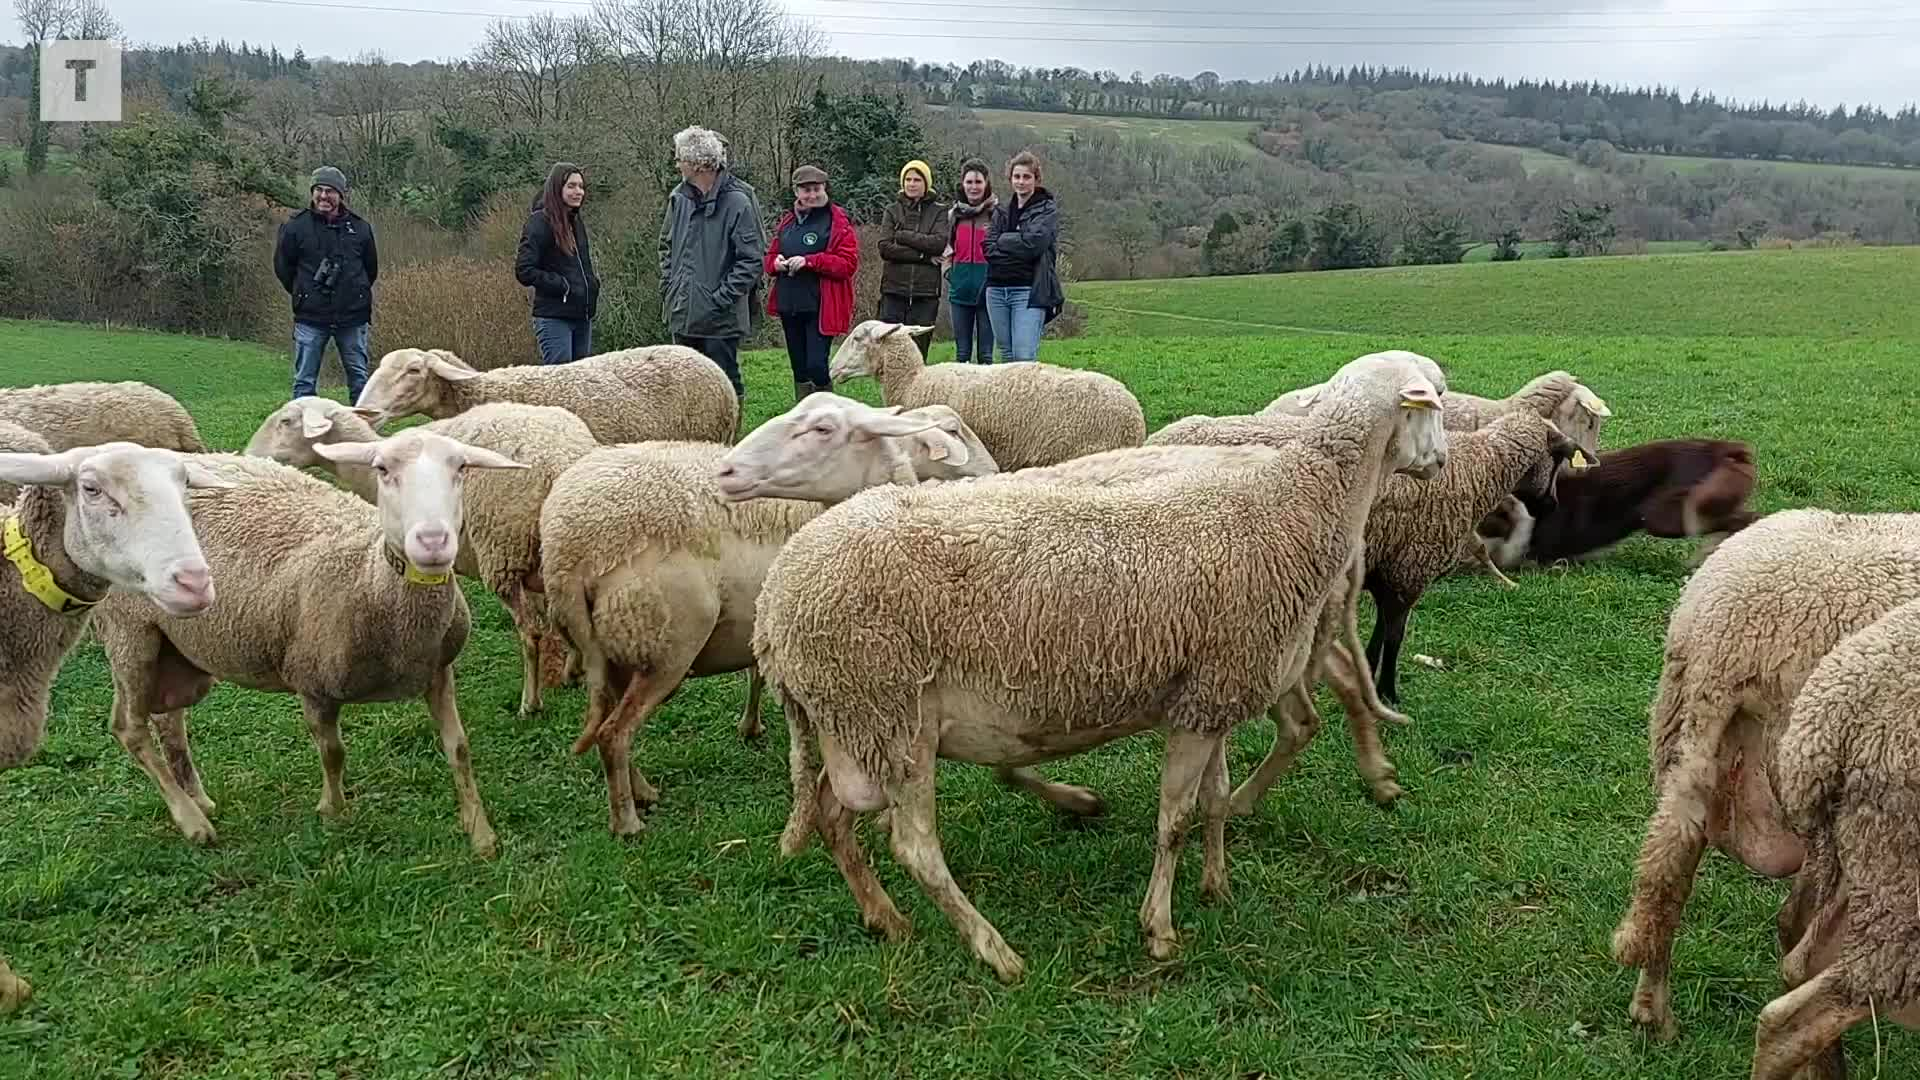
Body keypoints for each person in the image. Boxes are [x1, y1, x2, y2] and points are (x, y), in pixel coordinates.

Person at [658, 126, 765, 402]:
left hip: (720, 319)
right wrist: (671, 286)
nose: (677, 163)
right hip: (683, 312)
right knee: (685, 388)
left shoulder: (738, 202)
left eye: (681, 158)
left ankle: (728, 441)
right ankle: (691, 442)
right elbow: (666, 247)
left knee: (724, 385)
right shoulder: (678, 198)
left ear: (698, 164)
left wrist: (720, 298)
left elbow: (751, 260)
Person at [274, 165, 378, 403]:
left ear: (341, 195)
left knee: (360, 379)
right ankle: (303, 435)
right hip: (310, 318)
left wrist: (354, 293)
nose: (323, 196)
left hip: (352, 317)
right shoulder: (295, 227)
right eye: (318, 190)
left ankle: (364, 433)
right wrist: (304, 293)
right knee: (304, 382)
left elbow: (370, 270)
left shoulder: (360, 228)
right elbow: (283, 268)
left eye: (330, 191)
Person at [763, 165, 859, 402]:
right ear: (797, 192)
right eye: (806, 190)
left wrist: (809, 261)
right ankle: (805, 415)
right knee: (799, 367)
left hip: (820, 306)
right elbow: (768, 258)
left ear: (824, 188)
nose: (812, 195)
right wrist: (776, 263)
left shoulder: (836, 222)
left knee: (817, 365)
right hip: (790, 303)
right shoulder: (787, 223)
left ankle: (827, 413)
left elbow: (847, 264)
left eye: (816, 189)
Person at [514, 161, 600, 364]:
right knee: (559, 388)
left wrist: (592, 286)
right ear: (556, 188)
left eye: (581, 186)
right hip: (554, 318)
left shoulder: (576, 222)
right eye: (571, 186)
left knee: (581, 385)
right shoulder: (540, 222)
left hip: (582, 316)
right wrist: (561, 285)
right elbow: (524, 269)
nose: (578, 191)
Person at [984, 151, 1064, 363]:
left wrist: (1003, 240)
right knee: (1006, 356)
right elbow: (988, 249)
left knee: (1024, 356)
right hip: (996, 290)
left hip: (1028, 291)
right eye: (1017, 176)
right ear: (1010, 178)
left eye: (1026, 177)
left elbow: (1034, 245)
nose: (1021, 182)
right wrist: (1016, 244)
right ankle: (1009, 398)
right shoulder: (1001, 212)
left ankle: (1030, 398)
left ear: (1036, 179)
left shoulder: (1047, 210)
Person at [875, 159, 948, 360]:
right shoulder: (892, 210)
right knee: (890, 350)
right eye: (908, 179)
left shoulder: (939, 211)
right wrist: (924, 256)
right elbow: (885, 248)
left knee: (918, 352)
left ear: (926, 183)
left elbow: (938, 243)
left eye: (917, 179)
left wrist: (903, 235)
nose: (912, 183)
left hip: (925, 292)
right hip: (893, 290)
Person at [941, 158, 996, 364]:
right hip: (960, 292)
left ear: (986, 184)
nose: (974, 187)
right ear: (962, 184)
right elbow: (946, 249)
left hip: (988, 293)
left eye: (978, 182)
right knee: (962, 354)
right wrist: (949, 273)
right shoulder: (953, 215)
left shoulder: (996, 215)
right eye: (969, 182)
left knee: (986, 355)